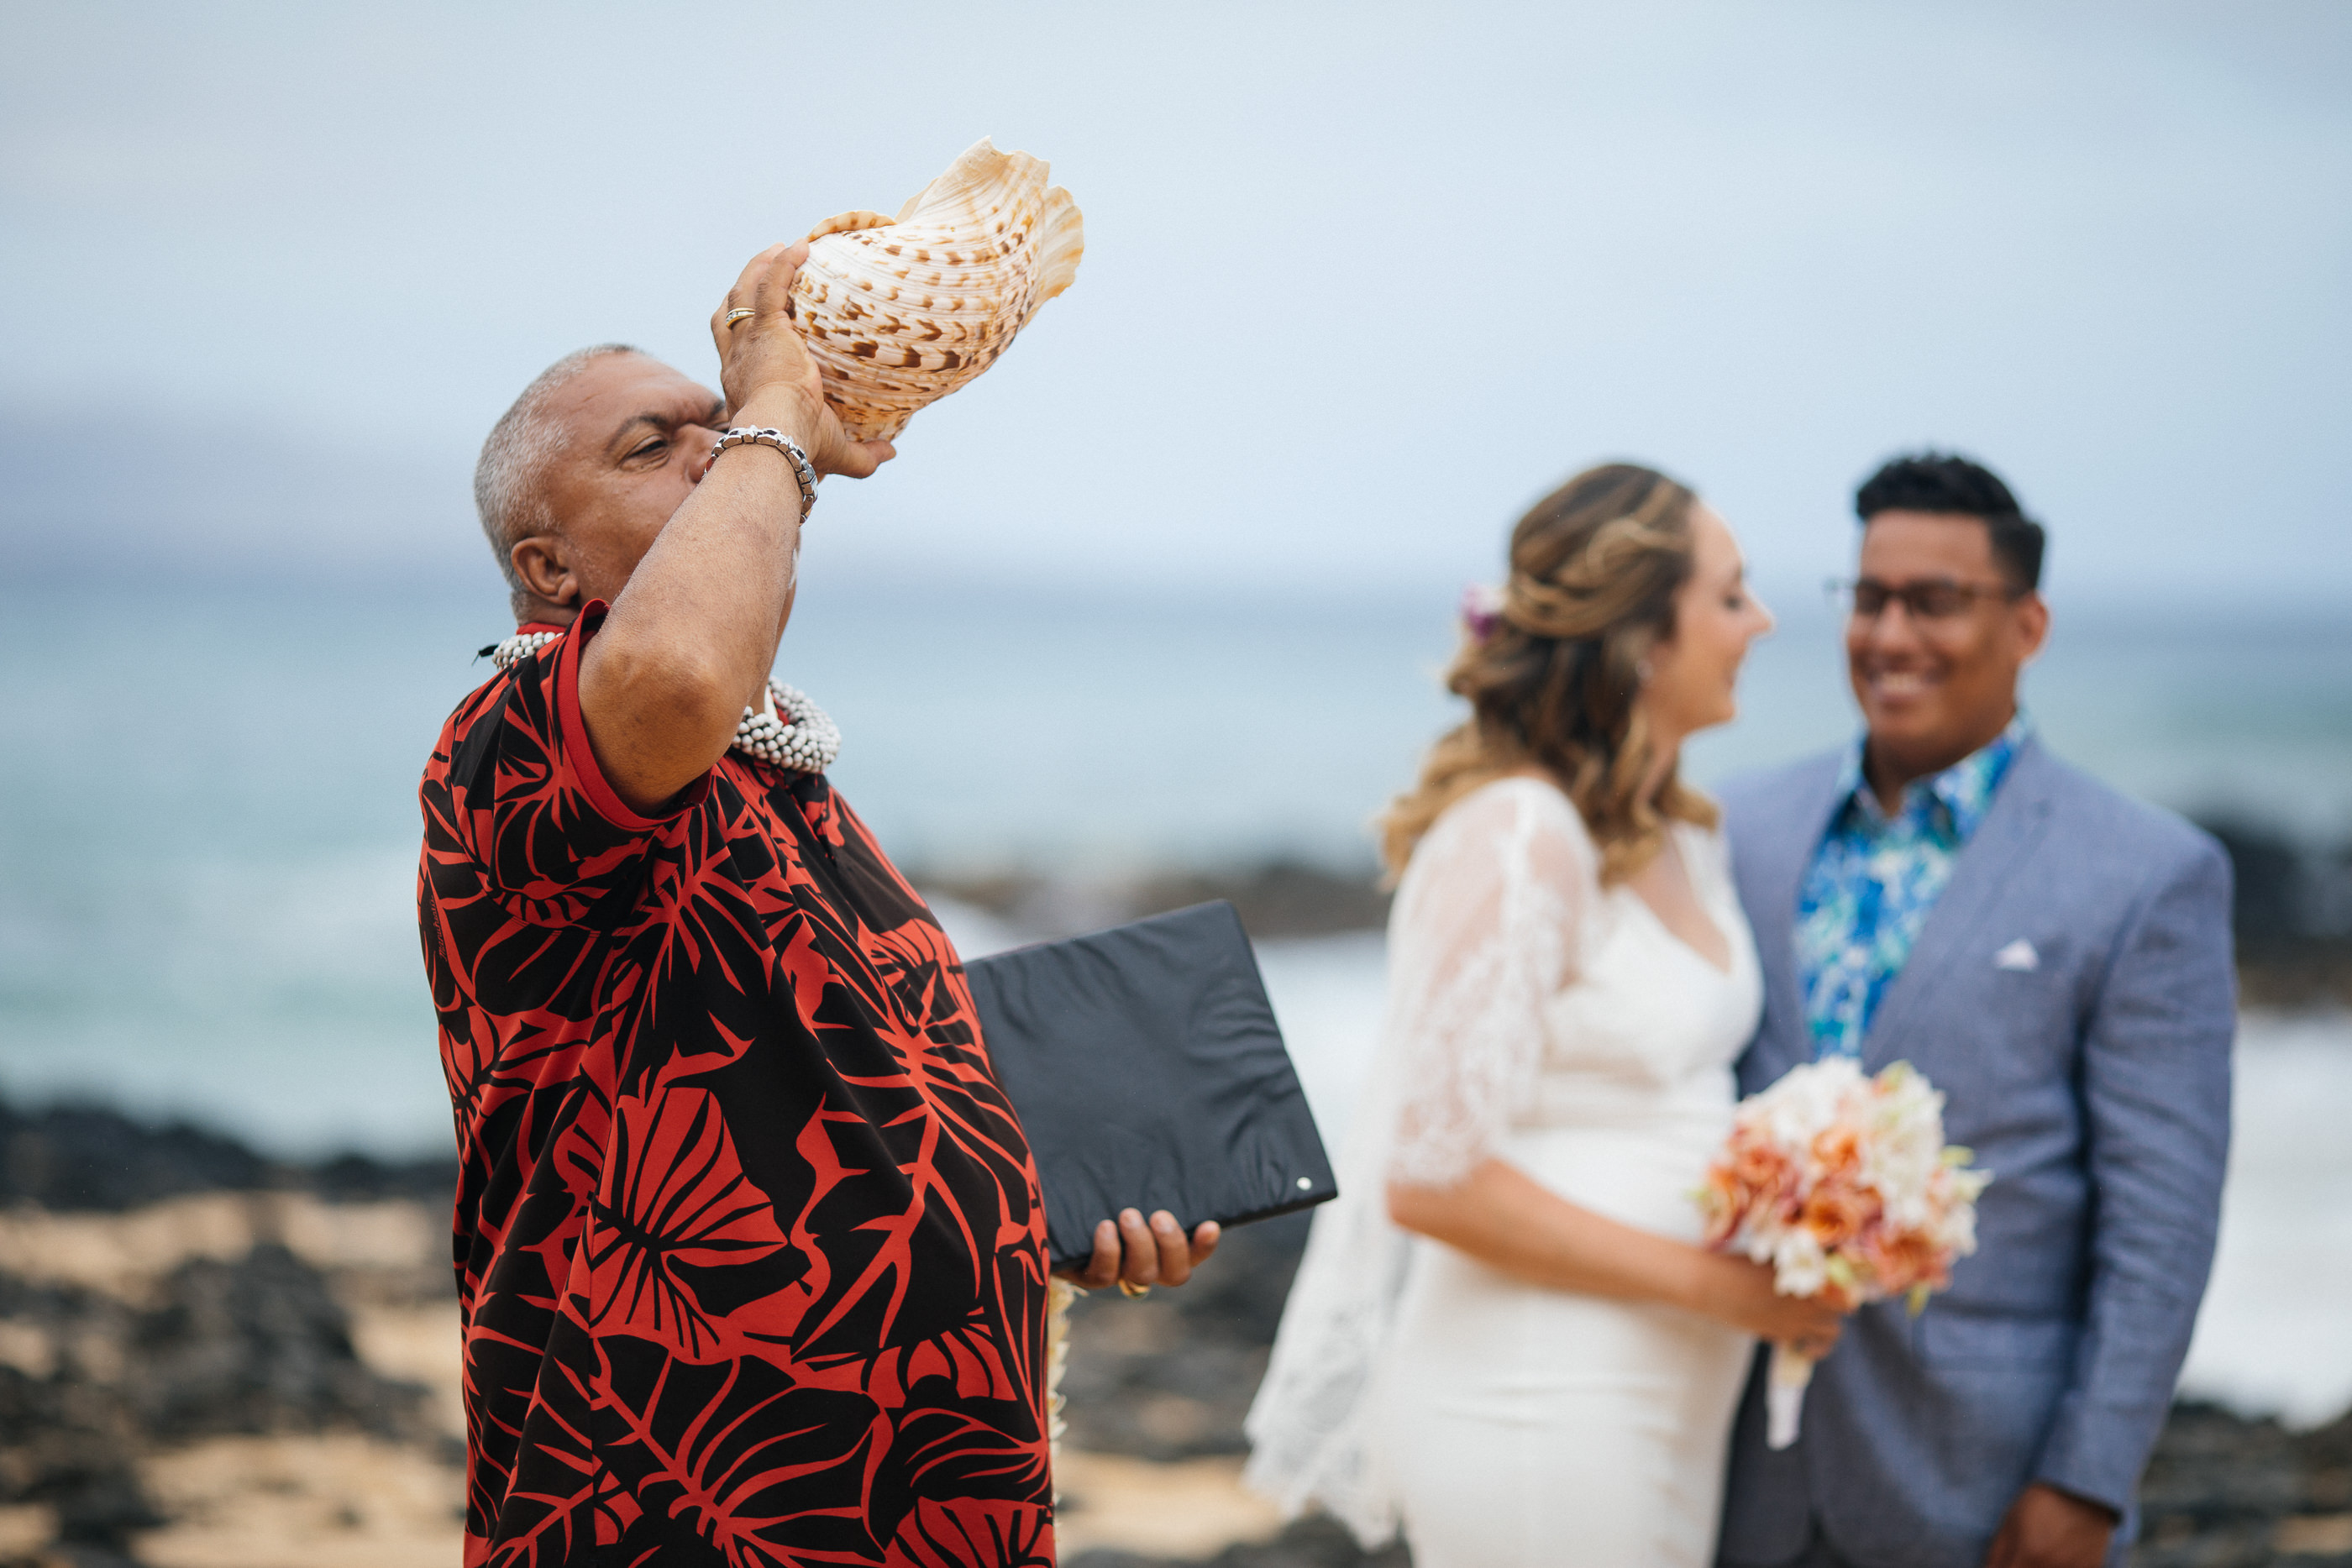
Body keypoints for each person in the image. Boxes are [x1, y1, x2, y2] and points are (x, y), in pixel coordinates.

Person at [416, 241, 1217, 1565]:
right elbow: (672, 668)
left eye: (715, 426)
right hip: (678, 1503)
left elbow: (855, 1113)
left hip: (929, 1495)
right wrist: (780, 413)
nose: (716, 448)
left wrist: (1048, 1212)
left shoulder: (781, 776)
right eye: (650, 444)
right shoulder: (516, 732)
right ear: (552, 570)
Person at [1245, 464, 1844, 1567]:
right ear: (1643, 636)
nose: (1761, 621)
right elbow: (1433, 1177)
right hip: (1536, 1392)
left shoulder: (1687, 837)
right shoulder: (1522, 836)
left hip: (1666, 1391)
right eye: (1729, 596)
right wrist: (1723, 1289)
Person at [1712, 454, 2234, 1568]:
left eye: (1935, 601)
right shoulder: (1737, 829)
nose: (1891, 634)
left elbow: (2162, 1223)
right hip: (1737, 1474)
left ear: (2029, 623)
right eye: (1868, 596)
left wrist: (2085, 1482)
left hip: (1984, 1483)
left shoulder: (2147, 873)